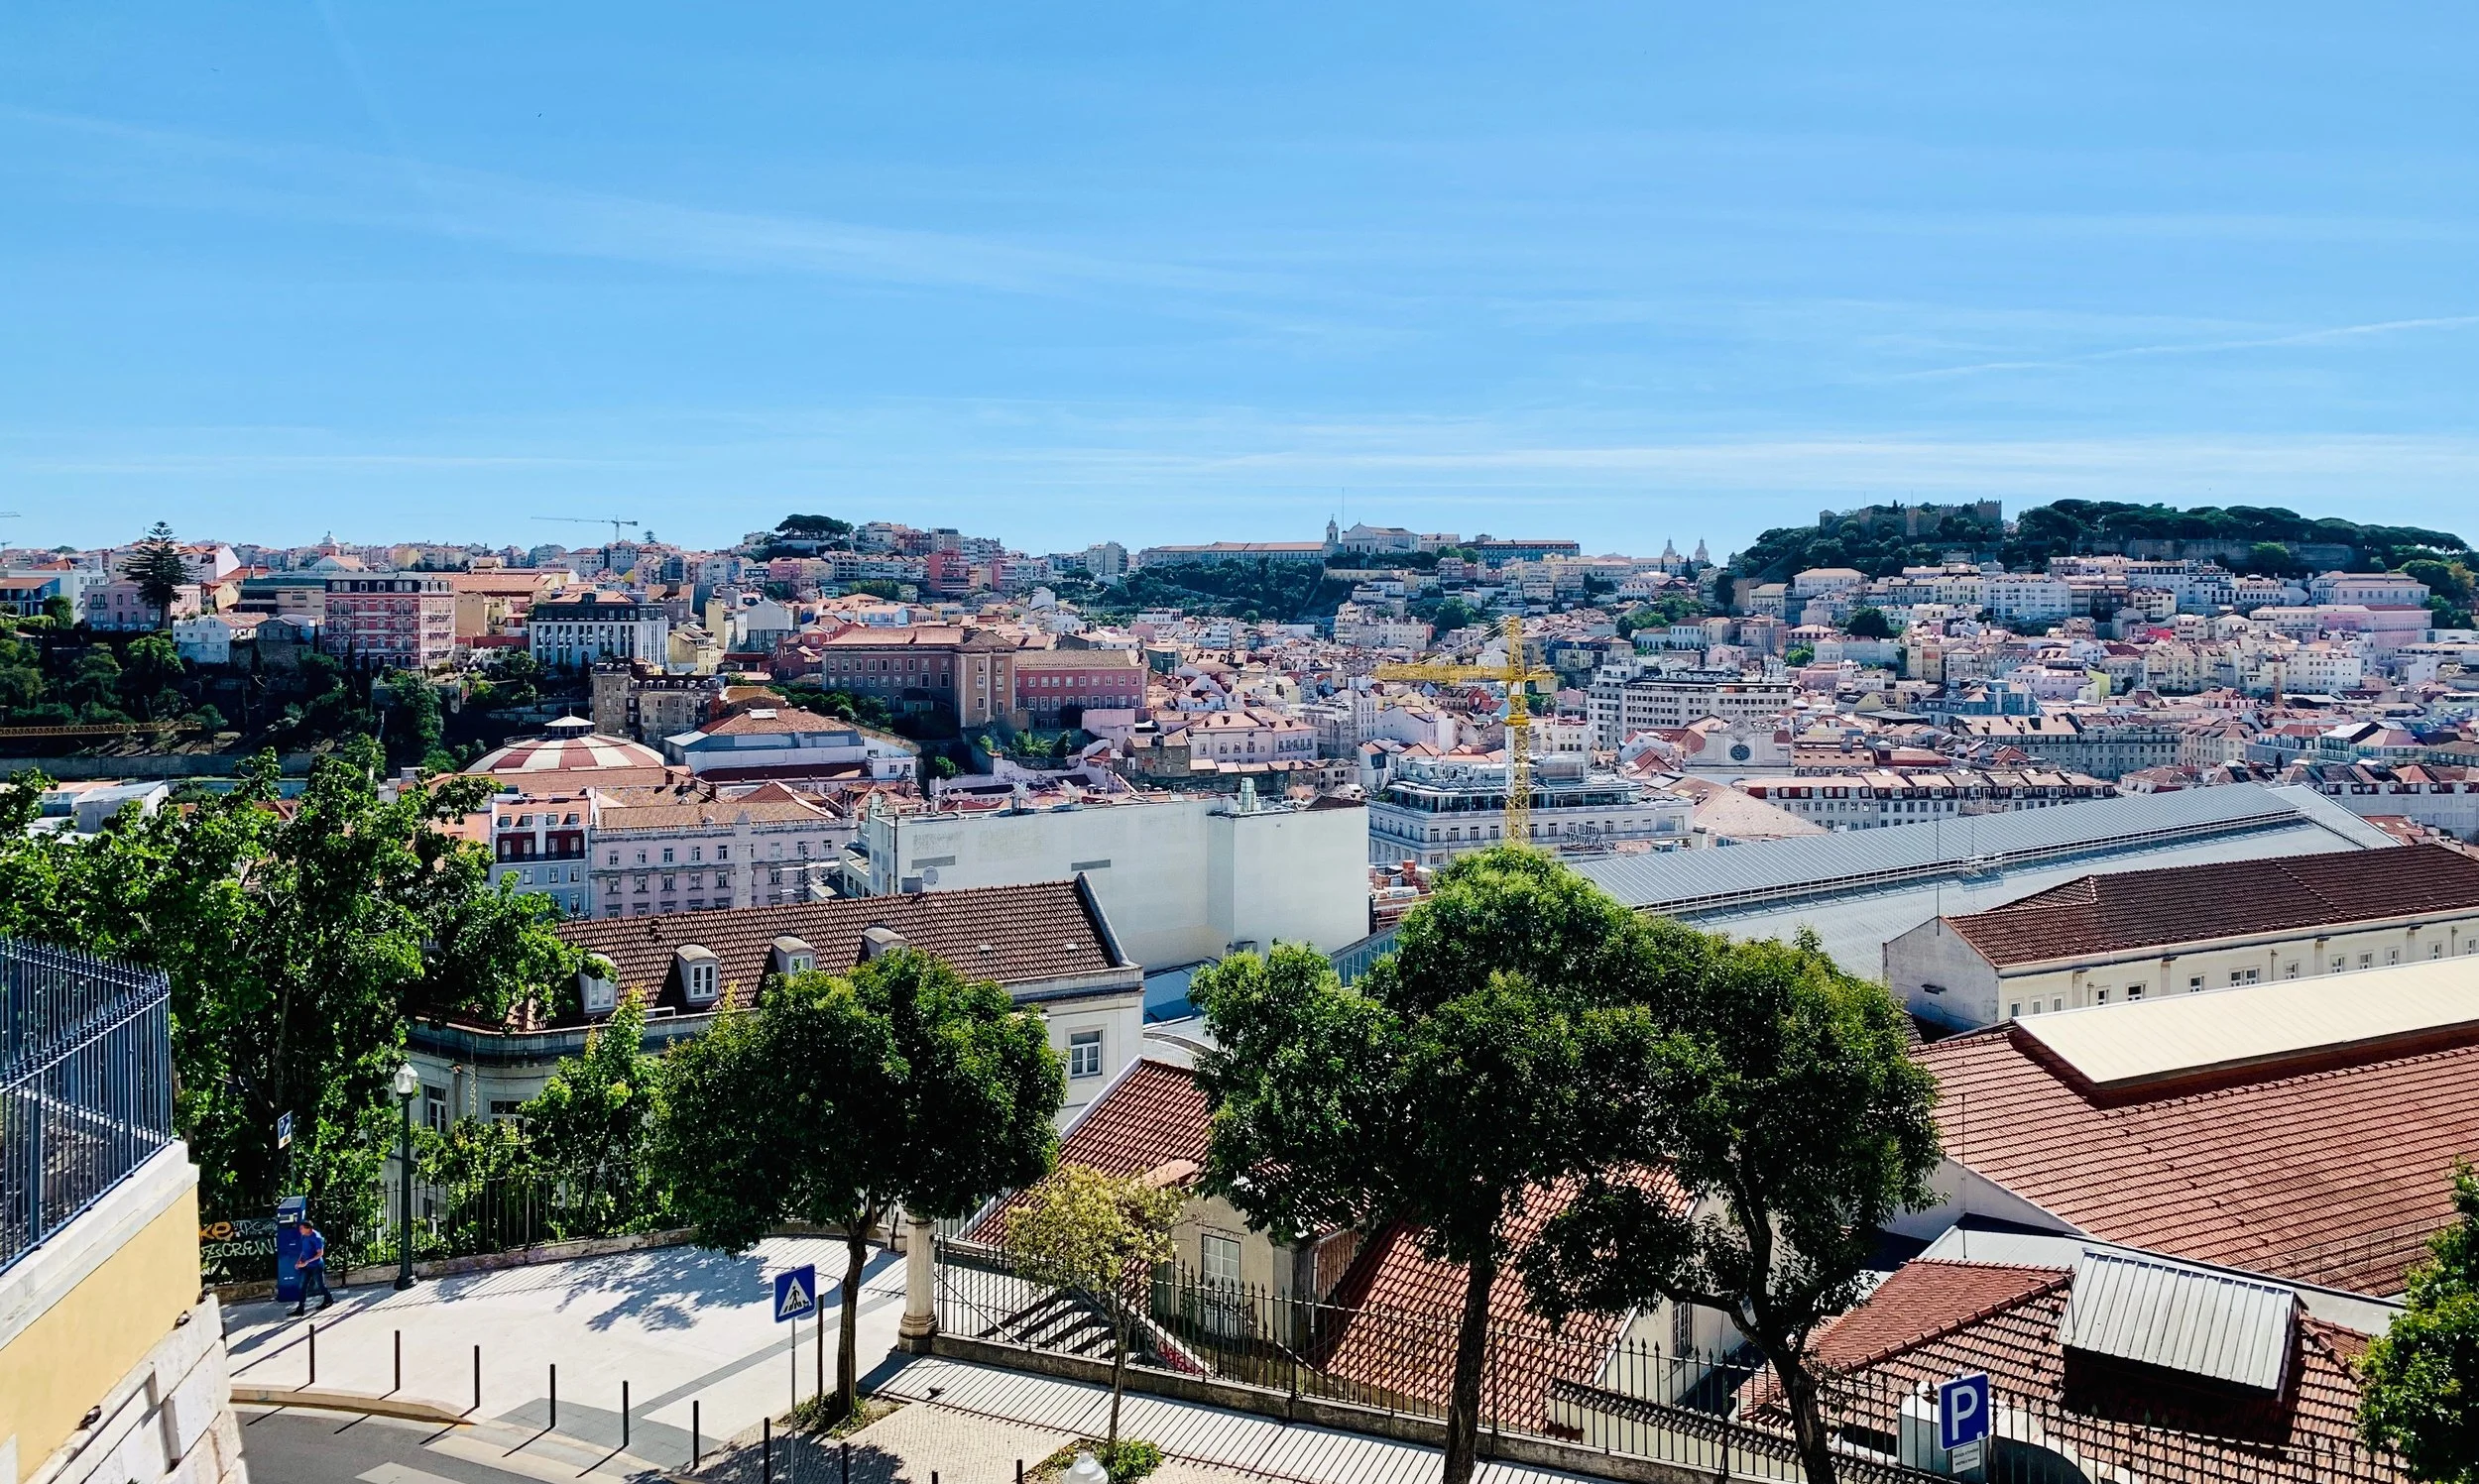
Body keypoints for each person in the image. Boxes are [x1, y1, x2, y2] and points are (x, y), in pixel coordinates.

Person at [288, 1218, 332, 1316]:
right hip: (306, 1266)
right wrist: (299, 1260)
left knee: (320, 1285)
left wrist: (307, 1262)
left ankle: (328, 1299)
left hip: (316, 1266)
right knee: (303, 1286)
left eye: (302, 1228)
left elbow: (320, 1253)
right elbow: (303, 1250)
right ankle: (300, 1308)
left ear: (308, 1228)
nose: (300, 1230)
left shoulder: (316, 1237)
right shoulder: (304, 1236)